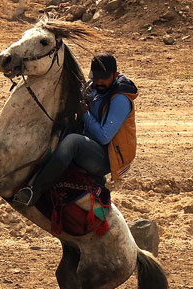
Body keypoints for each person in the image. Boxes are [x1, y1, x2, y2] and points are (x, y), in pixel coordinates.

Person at [13, 52, 138, 207]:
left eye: (103, 78)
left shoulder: (120, 100)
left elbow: (104, 136)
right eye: (95, 77)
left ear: (115, 75)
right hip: (92, 144)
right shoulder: (95, 86)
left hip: (106, 158)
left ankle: (34, 191)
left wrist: (85, 113)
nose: (99, 82)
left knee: (73, 142)